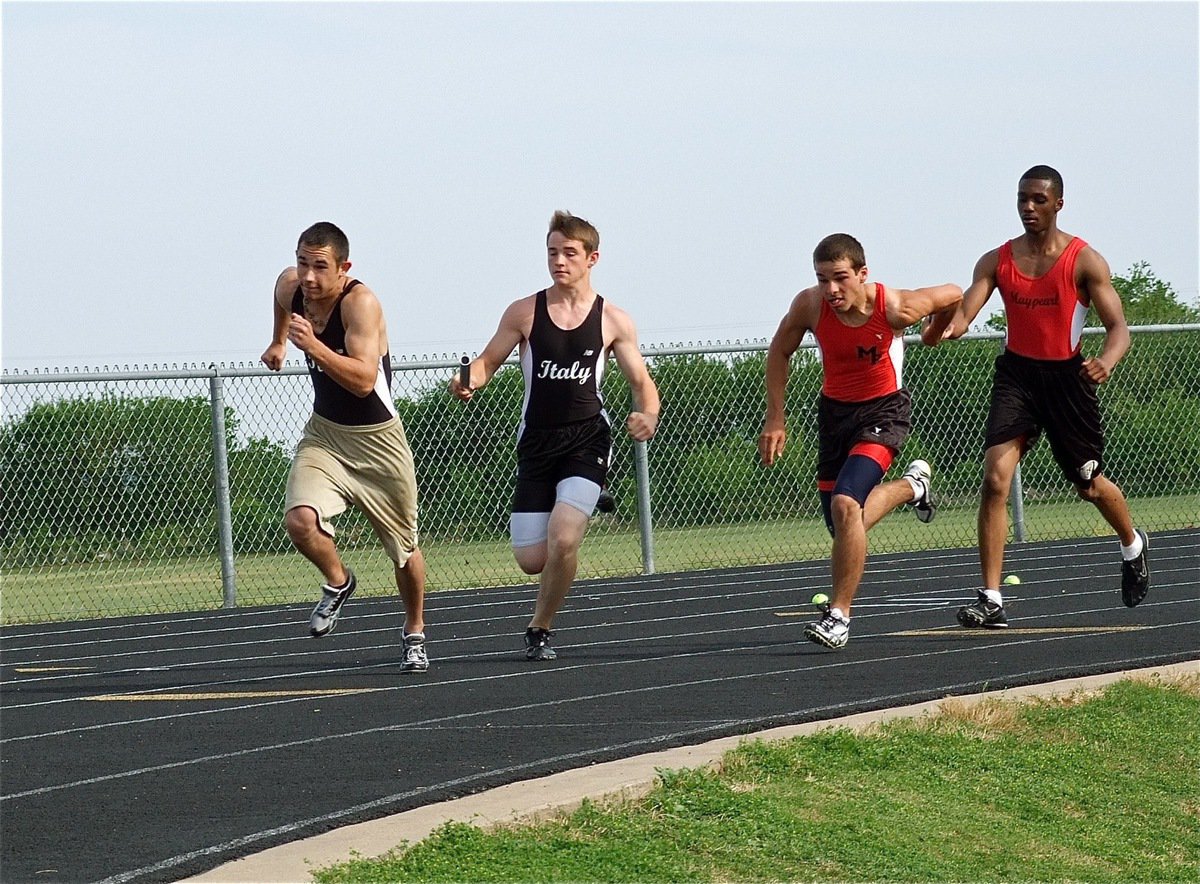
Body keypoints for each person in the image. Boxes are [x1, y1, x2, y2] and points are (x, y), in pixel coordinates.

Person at [938, 165, 1149, 628]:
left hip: (1067, 381)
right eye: (1021, 200)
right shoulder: (997, 260)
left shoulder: (1085, 260)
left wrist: (1106, 362)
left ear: (1058, 203)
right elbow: (969, 306)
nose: (1028, 208)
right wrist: (956, 324)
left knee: (1089, 485)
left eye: (1037, 200)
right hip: (1017, 375)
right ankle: (991, 598)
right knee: (995, 478)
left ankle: (1132, 544)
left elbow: (1119, 329)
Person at [449, 211, 660, 661]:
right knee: (532, 559)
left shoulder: (613, 319)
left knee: (564, 537)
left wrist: (649, 414)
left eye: (569, 253)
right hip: (536, 445)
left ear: (592, 258)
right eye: (552, 252)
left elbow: (641, 382)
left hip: (587, 441)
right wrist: (469, 380)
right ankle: (581, 502)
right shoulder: (525, 311)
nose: (558, 261)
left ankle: (539, 627)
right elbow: (487, 361)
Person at [759, 233, 963, 650]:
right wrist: (775, 417)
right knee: (843, 526)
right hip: (835, 415)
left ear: (862, 274)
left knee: (846, 504)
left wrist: (935, 331)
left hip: (884, 412)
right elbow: (780, 351)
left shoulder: (895, 307)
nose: (831, 290)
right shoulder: (810, 305)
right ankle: (912, 487)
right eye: (822, 279)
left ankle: (839, 616)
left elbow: (954, 293)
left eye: (839, 279)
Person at [260, 221, 429, 672]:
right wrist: (278, 342)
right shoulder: (291, 286)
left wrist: (311, 345)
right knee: (300, 521)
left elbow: (362, 380)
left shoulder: (361, 303)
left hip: (378, 443)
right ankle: (338, 581)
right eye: (303, 263)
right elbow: (280, 297)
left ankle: (414, 630)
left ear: (343, 267)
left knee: (404, 551)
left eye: (320, 267)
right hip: (325, 435)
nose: (309, 277)